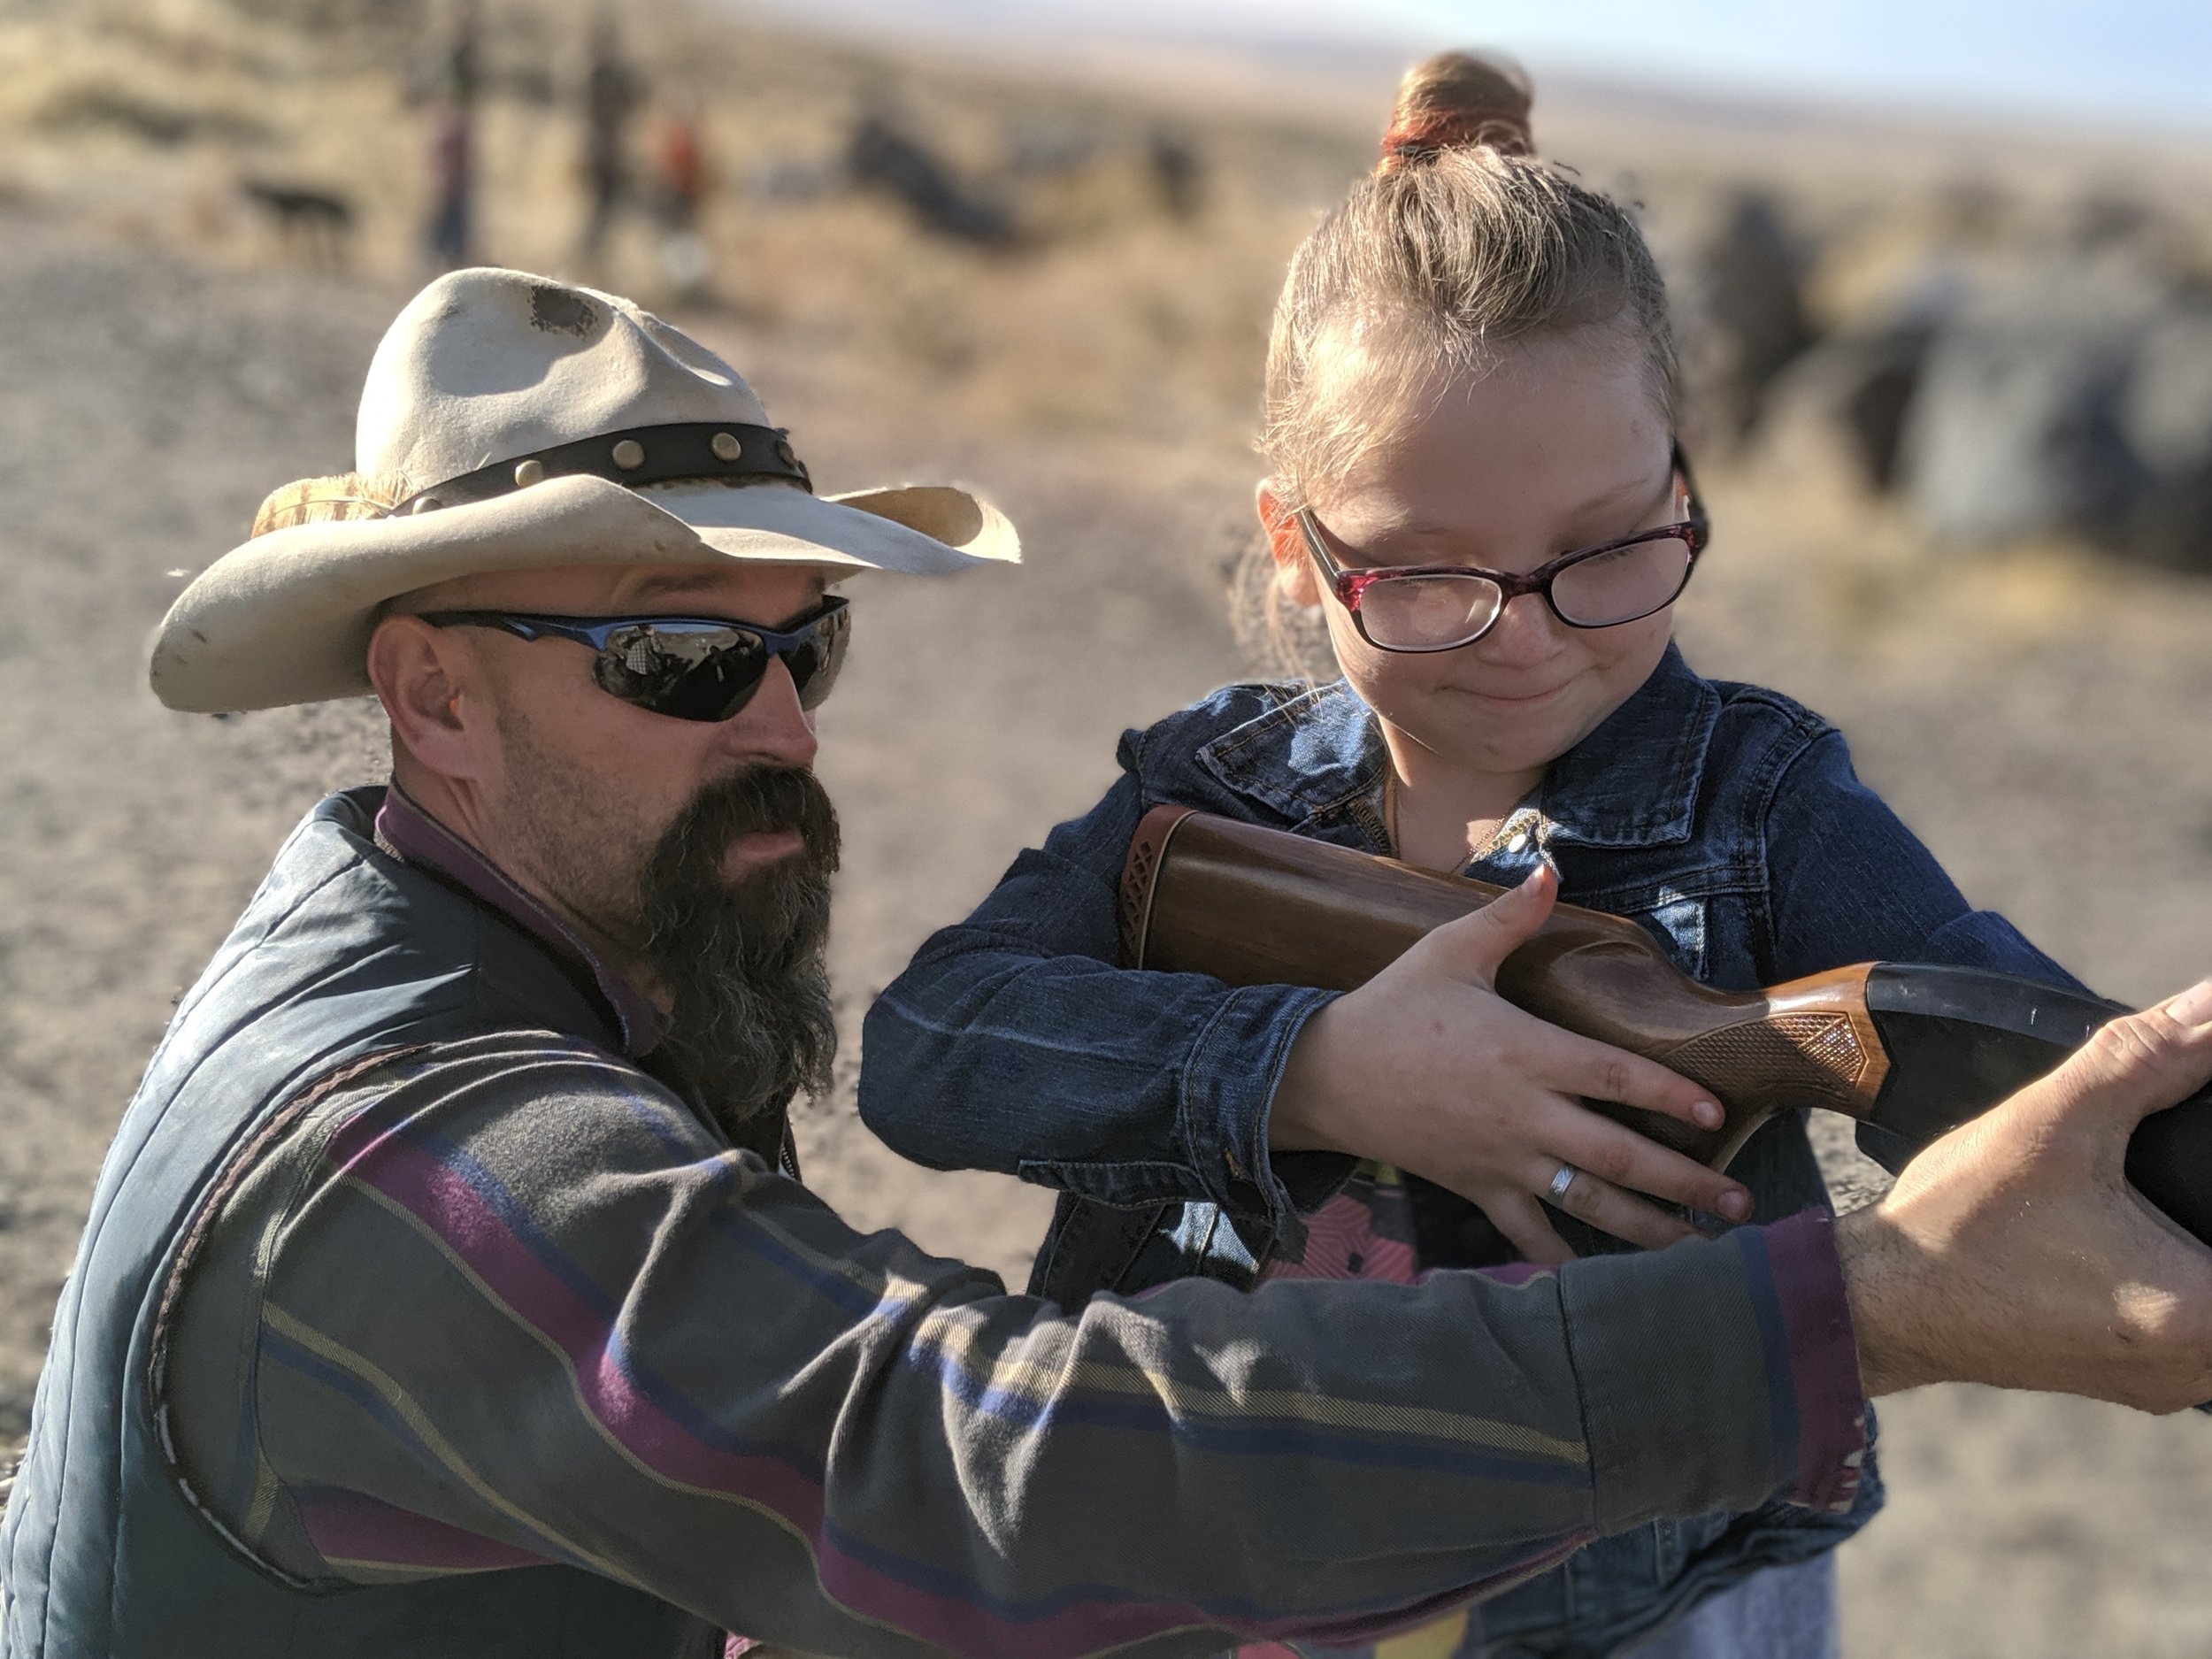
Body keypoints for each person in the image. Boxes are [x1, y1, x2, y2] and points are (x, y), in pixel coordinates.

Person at [2, 266, 2209, 1659]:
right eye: (681, 658)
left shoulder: (490, 959)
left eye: (807, 642)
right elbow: (974, 1441)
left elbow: (2002, 1035)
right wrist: (1320, 1071)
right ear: (432, 696)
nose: (782, 726)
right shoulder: (422, 1156)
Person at [856, 53, 2124, 1658]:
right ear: (1297, 549)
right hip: (1221, 1555)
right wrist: (1308, 1071)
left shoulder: (1762, 802)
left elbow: (2018, 1049)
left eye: (1605, 549)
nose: (1523, 639)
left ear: (1685, 476)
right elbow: (930, 1047)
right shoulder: (1207, 795)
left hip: (1649, 1601)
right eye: (1426, 573)